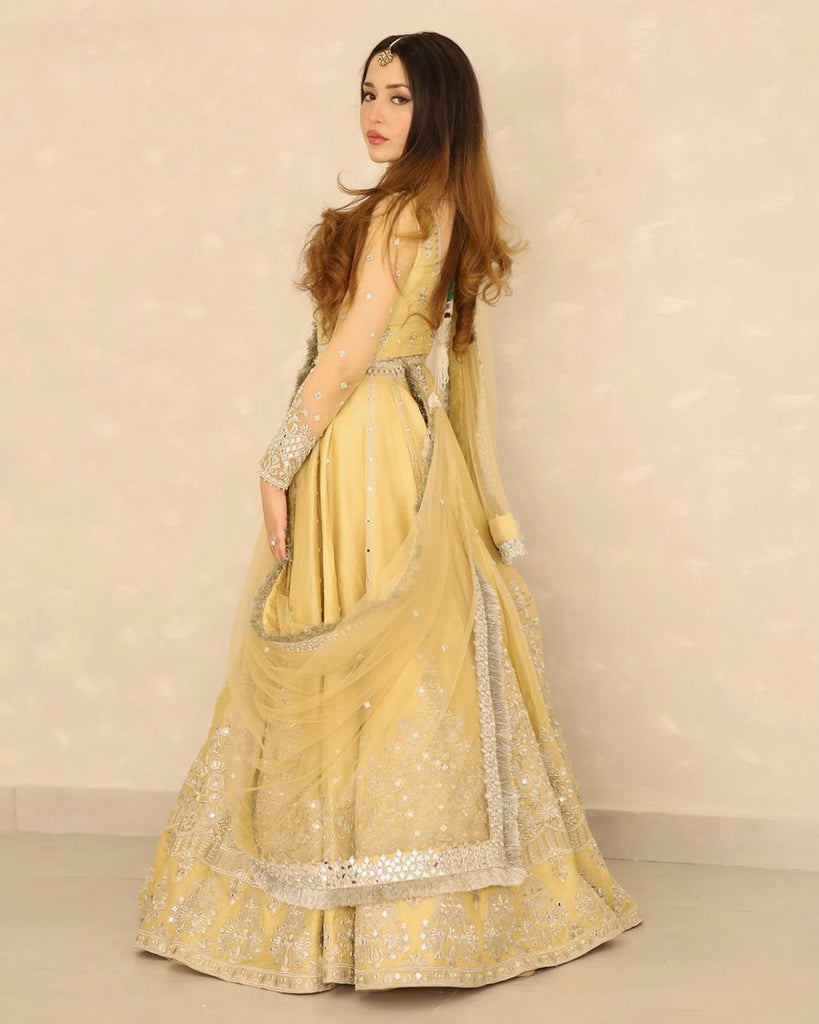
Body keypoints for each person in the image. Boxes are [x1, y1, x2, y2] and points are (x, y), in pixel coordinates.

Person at [133, 31, 643, 994]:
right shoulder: (446, 204)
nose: (374, 113)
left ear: (438, 107)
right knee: (408, 656)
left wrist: (277, 461)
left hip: (362, 436)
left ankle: (352, 903)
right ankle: (410, 905)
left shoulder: (402, 209)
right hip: (411, 436)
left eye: (399, 97)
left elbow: (352, 348)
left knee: (357, 651)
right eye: (368, 92)